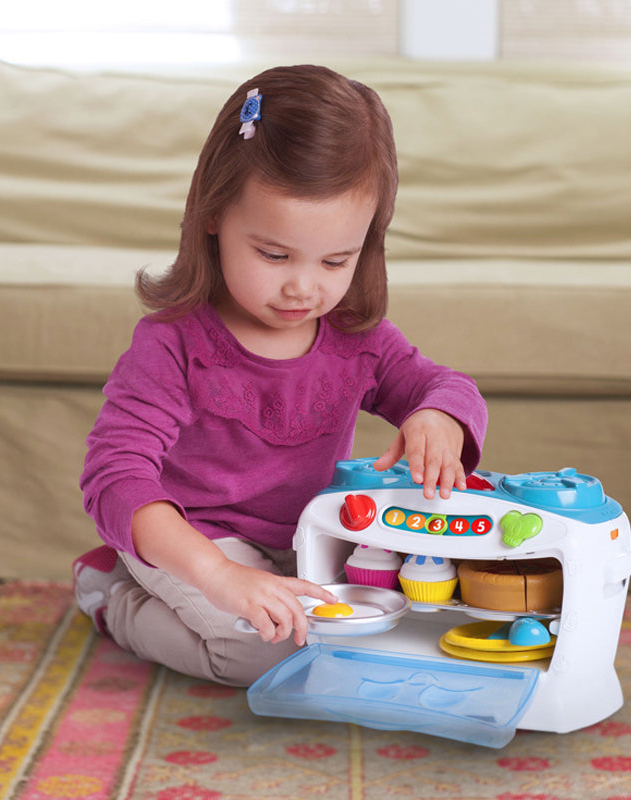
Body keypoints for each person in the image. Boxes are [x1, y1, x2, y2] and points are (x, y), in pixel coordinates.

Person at [74, 65, 487, 687]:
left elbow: (443, 385)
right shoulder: (171, 344)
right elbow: (115, 477)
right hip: (193, 541)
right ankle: (112, 594)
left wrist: (439, 415)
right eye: (274, 254)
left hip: (308, 538)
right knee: (264, 654)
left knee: (371, 631)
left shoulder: (356, 337)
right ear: (214, 215)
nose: (303, 287)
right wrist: (217, 573)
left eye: (335, 260)